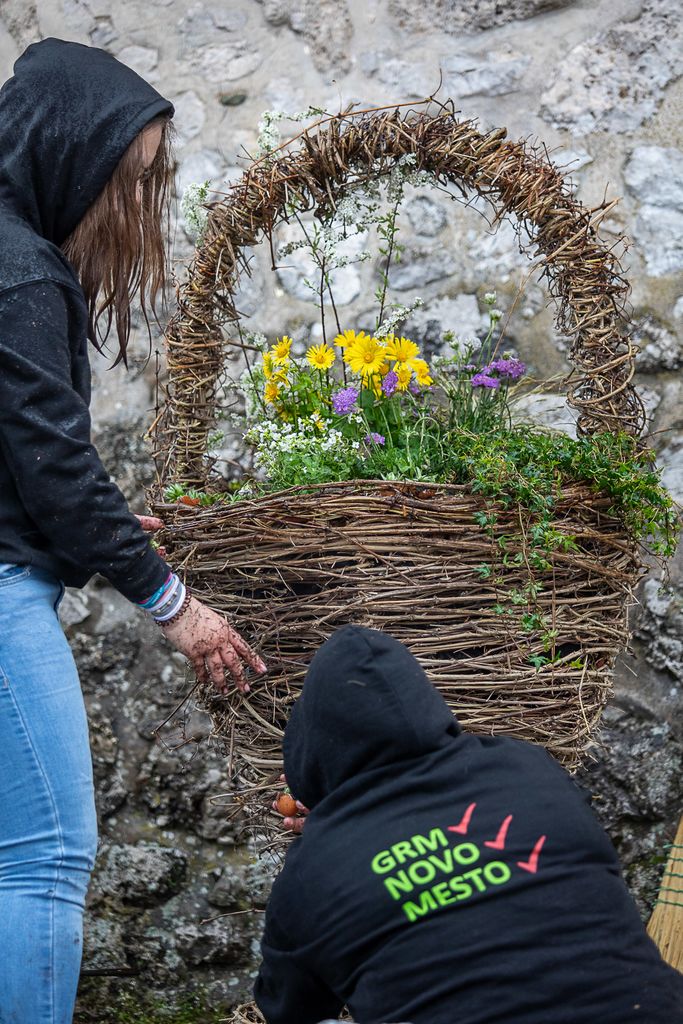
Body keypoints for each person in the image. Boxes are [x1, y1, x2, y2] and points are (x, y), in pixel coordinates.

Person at [0, 37, 266, 1024]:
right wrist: (173, 602)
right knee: (45, 856)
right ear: (72, 150)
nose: (133, 206)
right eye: (132, 177)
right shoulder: (20, 270)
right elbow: (54, 462)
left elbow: (24, 465)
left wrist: (92, 531)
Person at [255, 625, 683, 1024]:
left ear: (311, 744)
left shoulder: (311, 872)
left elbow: (290, 1010)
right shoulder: (530, 767)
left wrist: (332, 844)